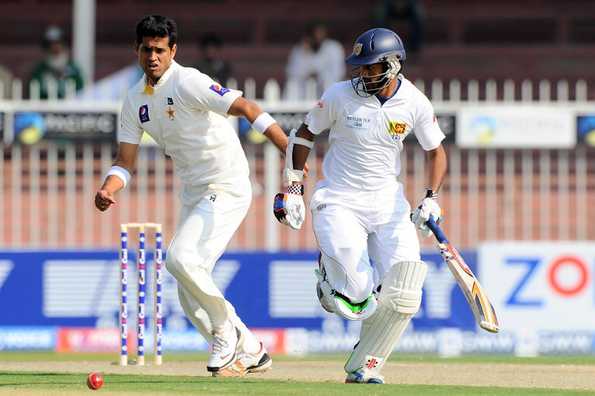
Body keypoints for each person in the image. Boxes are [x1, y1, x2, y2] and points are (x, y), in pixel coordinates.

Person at [94, 15, 289, 377]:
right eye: (147, 49)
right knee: (187, 291)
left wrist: (288, 150)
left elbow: (247, 108)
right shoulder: (134, 98)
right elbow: (125, 162)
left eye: (160, 50)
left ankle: (224, 331)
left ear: (173, 51)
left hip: (227, 184)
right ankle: (251, 350)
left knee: (180, 259)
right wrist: (108, 187)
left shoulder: (189, 81)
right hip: (194, 192)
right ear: (137, 51)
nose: (153, 56)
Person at [274, 28, 447, 384]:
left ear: (393, 64)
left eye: (371, 68)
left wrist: (431, 197)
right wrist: (293, 188)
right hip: (339, 200)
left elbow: (436, 151)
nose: (363, 74)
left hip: (388, 205)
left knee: (406, 291)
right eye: (361, 68)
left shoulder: (414, 101)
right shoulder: (339, 95)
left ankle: (365, 365)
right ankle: (329, 279)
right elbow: (303, 134)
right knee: (357, 295)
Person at [285, 23, 345, 100]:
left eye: (321, 33)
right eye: (315, 33)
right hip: (303, 92)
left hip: (327, 91)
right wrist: (305, 53)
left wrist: (319, 75)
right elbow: (292, 72)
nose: (318, 36)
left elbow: (338, 72)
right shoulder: (300, 49)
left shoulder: (334, 47)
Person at [29, 26, 84, 99]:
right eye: (51, 45)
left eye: (58, 44)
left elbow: (81, 90)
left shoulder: (73, 69)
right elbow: (34, 93)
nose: (55, 48)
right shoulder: (39, 70)